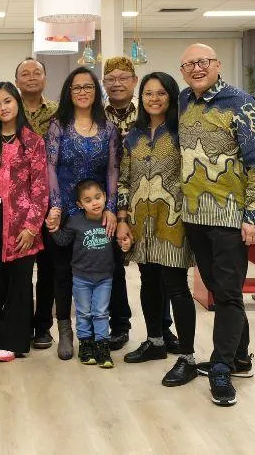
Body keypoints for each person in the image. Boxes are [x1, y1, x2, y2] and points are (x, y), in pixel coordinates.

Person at [178, 44, 255, 407]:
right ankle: (240, 357)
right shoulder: (184, 100)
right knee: (219, 288)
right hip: (195, 216)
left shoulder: (241, 103)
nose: (196, 68)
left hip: (230, 217)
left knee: (229, 295)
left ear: (217, 64)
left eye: (203, 62)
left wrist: (254, 215)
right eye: (189, 64)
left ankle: (221, 366)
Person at [116, 72, 197, 387]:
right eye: (148, 93)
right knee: (148, 281)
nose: (154, 99)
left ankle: (187, 357)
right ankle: (155, 341)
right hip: (140, 221)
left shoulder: (181, 133)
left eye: (161, 93)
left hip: (172, 221)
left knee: (176, 287)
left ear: (171, 96)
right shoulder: (133, 137)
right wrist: (122, 218)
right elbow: (124, 179)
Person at [45, 66, 120, 360]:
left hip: (96, 212)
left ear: (96, 91)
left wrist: (110, 208)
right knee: (63, 272)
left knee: (101, 270)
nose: (83, 92)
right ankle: (66, 330)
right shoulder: (58, 125)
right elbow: (50, 166)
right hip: (64, 210)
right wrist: (55, 204)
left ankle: (102, 333)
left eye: (88, 86)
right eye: (76, 87)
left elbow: (112, 170)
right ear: (69, 92)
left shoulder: (108, 128)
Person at [103, 56, 177, 352]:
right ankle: (119, 325)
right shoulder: (97, 115)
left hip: (152, 200)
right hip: (109, 200)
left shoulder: (149, 112)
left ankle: (163, 328)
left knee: (159, 266)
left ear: (135, 81)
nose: (117, 83)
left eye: (124, 77)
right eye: (111, 79)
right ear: (104, 83)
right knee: (112, 267)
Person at [0, 82, 49, 362]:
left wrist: (31, 227)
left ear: (17, 102)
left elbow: (40, 187)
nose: (3, 108)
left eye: (7, 101)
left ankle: (14, 342)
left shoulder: (33, 141)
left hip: (22, 221)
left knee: (20, 283)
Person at [15, 57, 58, 349]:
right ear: (16, 81)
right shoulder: (9, 109)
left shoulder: (58, 111)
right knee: (19, 269)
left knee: (48, 268)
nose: (31, 77)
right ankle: (18, 324)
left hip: (51, 199)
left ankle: (43, 326)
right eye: (25, 73)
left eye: (37, 72)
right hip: (17, 203)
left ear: (45, 78)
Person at [51, 179, 115, 369]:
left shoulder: (109, 221)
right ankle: (86, 345)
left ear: (105, 197)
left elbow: (120, 244)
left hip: (104, 278)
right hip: (81, 278)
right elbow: (63, 240)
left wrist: (127, 244)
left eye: (97, 197)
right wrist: (53, 228)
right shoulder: (75, 221)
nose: (94, 203)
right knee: (84, 312)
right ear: (80, 204)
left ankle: (102, 346)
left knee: (101, 312)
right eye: (88, 200)